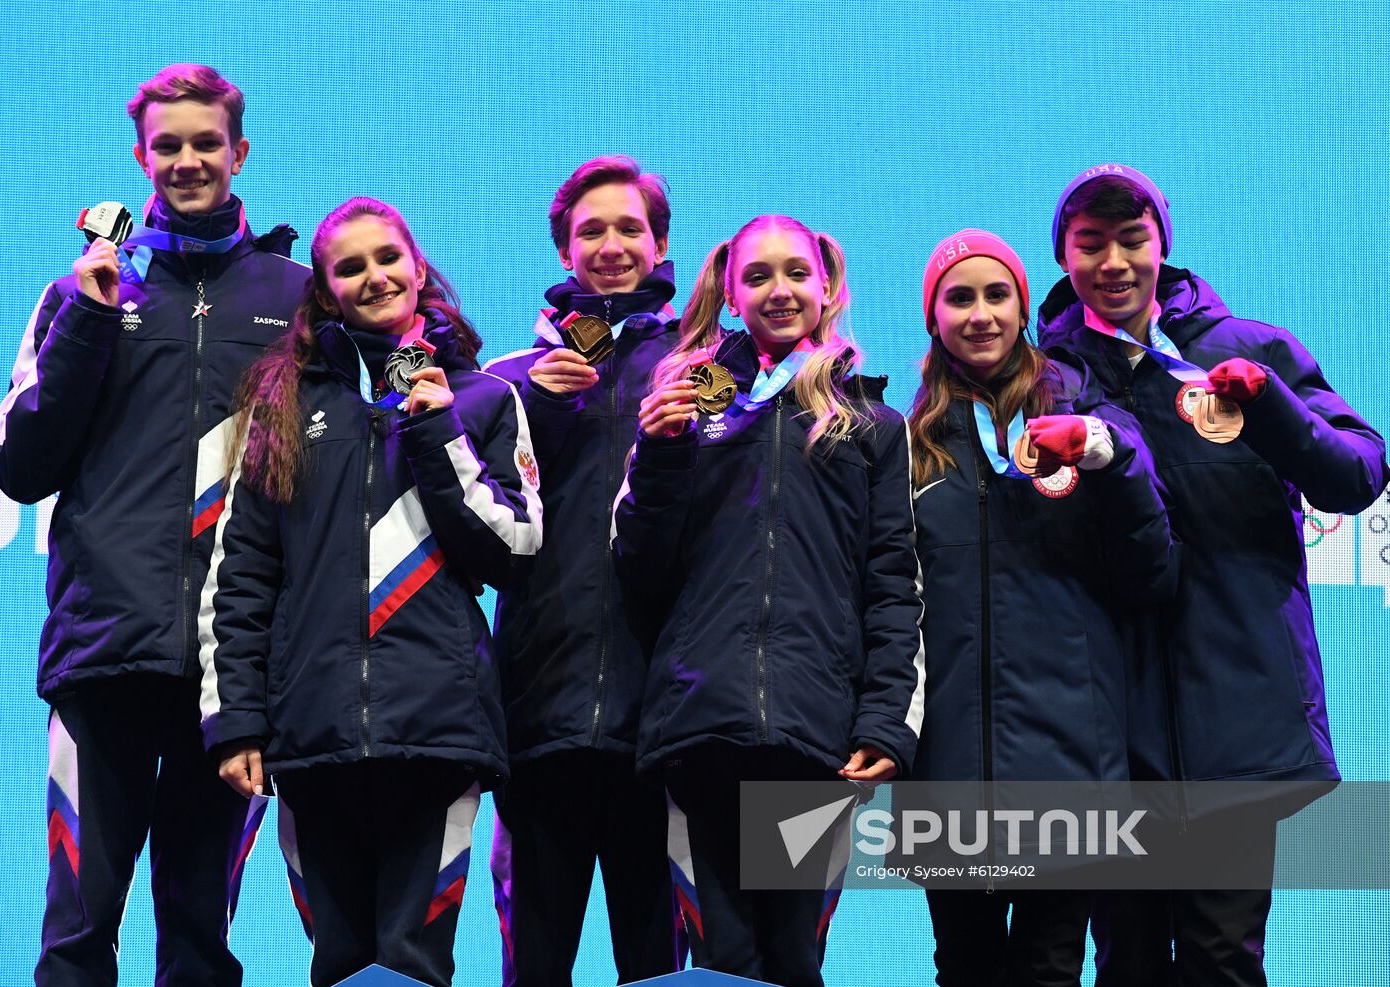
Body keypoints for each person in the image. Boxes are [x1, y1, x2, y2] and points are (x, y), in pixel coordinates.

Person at [0, 64, 309, 986]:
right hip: (105, 657)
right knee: (76, 939)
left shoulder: (295, 299)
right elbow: (19, 463)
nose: (187, 160)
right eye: (167, 145)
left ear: (239, 151)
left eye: (205, 142)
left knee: (200, 943)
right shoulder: (82, 293)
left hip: (236, 677)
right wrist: (90, 319)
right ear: (141, 156)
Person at [1036, 164, 1390, 986]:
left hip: (1236, 713)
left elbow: (1357, 472)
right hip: (1109, 725)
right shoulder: (1050, 378)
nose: (1114, 262)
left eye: (1133, 239)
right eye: (1091, 245)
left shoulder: (1250, 349)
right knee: (1125, 961)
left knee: (1221, 958)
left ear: (1163, 244)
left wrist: (1268, 404)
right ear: (1064, 257)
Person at [198, 196, 541, 987]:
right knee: (340, 965)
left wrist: (438, 430)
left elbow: (514, 551)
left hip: (439, 733)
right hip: (311, 737)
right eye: (349, 266)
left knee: (414, 964)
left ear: (419, 269)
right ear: (323, 288)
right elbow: (240, 576)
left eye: (389, 258)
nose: (375, 276)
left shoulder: (484, 399)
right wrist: (238, 723)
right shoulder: (279, 410)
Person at [612, 214, 926, 987]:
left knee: (793, 958)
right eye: (757, 276)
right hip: (700, 722)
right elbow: (639, 565)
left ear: (827, 288)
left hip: (814, 731)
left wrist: (886, 717)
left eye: (795, 273)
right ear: (730, 293)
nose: (778, 290)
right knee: (721, 963)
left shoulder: (872, 427)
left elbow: (893, 582)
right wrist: (657, 453)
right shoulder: (684, 408)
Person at [906, 228, 1175, 987]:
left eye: (999, 295)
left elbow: (1152, 571)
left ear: (1025, 308)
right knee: (964, 968)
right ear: (934, 317)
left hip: (1071, 760)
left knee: (1050, 969)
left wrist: (1107, 459)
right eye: (960, 297)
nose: (981, 313)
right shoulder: (909, 446)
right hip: (950, 770)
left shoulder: (1089, 419)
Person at [482, 155, 685, 986]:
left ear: (661, 242)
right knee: (534, 963)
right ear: (565, 250)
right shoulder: (505, 381)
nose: (610, 245)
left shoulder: (702, 369)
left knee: (659, 963)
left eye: (629, 227)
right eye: (589, 230)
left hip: (665, 719)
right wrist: (538, 403)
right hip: (539, 716)